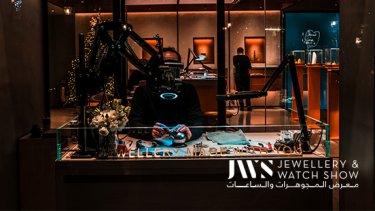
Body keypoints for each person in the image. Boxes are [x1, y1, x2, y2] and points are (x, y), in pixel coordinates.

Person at [128, 82, 204, 142]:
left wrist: (190, 133)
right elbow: (133, 124)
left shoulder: (188, 90)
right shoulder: (142, 91)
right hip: (150, 142)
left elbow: (198, 122)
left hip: (181, 141)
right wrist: (150, 131)